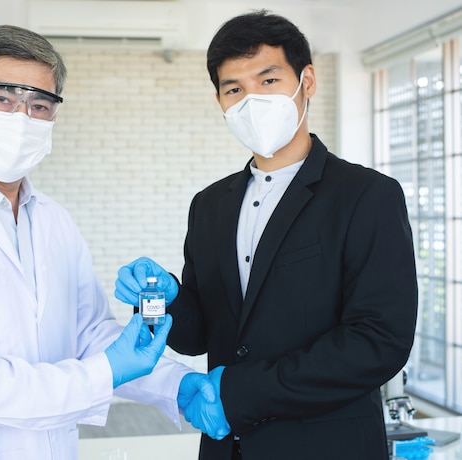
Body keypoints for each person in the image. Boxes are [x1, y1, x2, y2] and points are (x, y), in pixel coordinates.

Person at [0, 25, 216, 460]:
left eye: (40, 104)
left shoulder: (53, 222)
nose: (21, 118)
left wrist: (174, 383)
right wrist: (104, 372)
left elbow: (90, 336)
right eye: (3, 98)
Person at [115, 10, 418, 460]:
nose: (250, 99)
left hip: (327, 447)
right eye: (233, 89)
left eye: (268, 80)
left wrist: (239, 394)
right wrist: (160, 298)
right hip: (226, 450)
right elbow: (199, 336)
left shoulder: (366, 196)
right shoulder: (210, 204)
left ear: (306, 82)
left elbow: (378, 342)